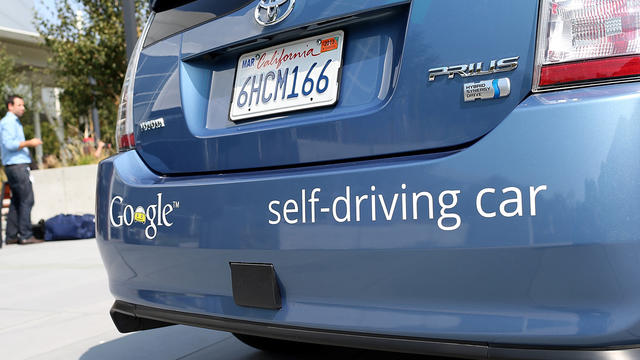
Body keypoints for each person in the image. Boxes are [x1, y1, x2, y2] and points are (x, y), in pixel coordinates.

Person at [1, 95, 44, 245]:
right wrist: (30, 143)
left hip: (15, 165)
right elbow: (10, 144)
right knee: (27, 199)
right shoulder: (8, 122)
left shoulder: (14, 122)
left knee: (17, 200)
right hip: (17, 166)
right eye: (19, 105)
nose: (23, 108)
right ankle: (26, 235)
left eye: (23, 105)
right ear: (10, 106)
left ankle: (12, 236)